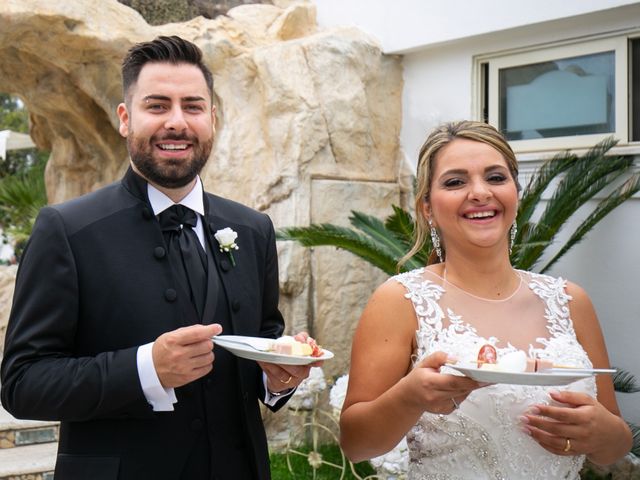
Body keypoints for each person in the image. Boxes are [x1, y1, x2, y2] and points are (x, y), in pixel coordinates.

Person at [0, 36, 314, 480]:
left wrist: (277, 377)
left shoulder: (252, 229)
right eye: (157, 105)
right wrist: (146, 368)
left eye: (192, 106)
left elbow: (261, 342)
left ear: (212, 119)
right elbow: (22, 384)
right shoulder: (67, 231)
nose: (177, 122)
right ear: (125, 119)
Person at [339, 120, 632, 479]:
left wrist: (602, 434)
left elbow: (616, 444)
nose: (480, 192)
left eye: (495, 178)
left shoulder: (571, 301)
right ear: (427, 207)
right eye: (455, 181)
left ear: (515, 194)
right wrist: (410, 397)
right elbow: (355, 444)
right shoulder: (400, 300)